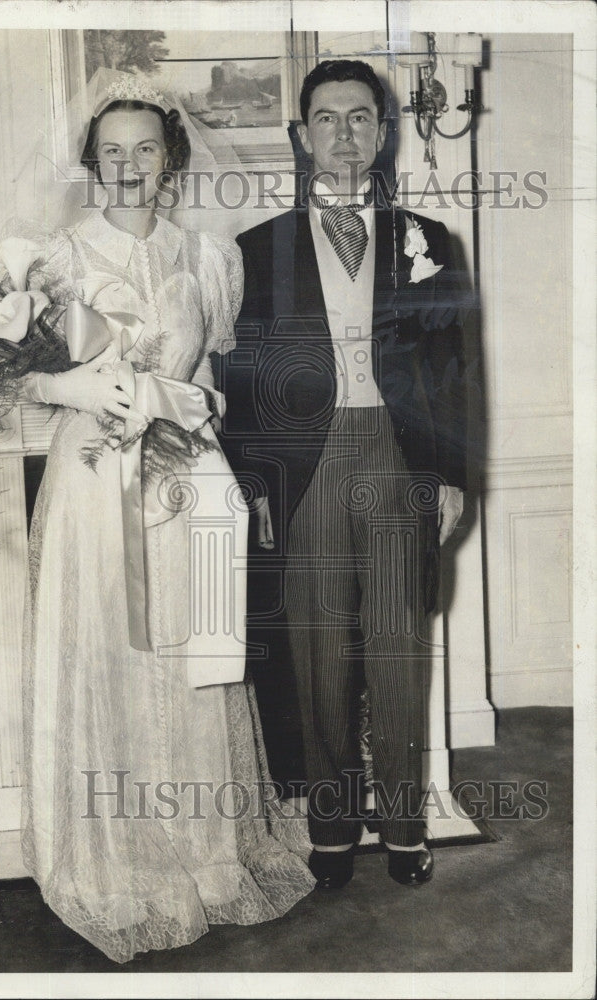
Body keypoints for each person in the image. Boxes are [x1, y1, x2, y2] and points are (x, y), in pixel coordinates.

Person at [14, 74, 314, 964]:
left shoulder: (207, 258)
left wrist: (193, 420)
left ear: (171, 159)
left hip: (188, 483)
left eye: (145, 148)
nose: (128, 165)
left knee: (197, 660)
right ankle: (113, 864)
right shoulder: (54, 258)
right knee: (105, 650)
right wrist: (73, 384)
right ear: (90, 163)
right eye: (112, 151)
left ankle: (208, 857)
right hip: (94, 483)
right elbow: (18, 376)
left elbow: (214, 380)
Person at [216, 60, 471, 890]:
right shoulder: (258, 250)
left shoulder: (432, 243)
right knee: (318, 648)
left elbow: (457, 373)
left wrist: (451, 475)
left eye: (360, 118)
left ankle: (402, 826)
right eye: (325, 119)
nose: (344, 135)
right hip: (306, 463)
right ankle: (330, 827)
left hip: (398, 457)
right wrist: (254, 486)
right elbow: (246, 382)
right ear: (301, 136)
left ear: (384, 131)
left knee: (398, 643)